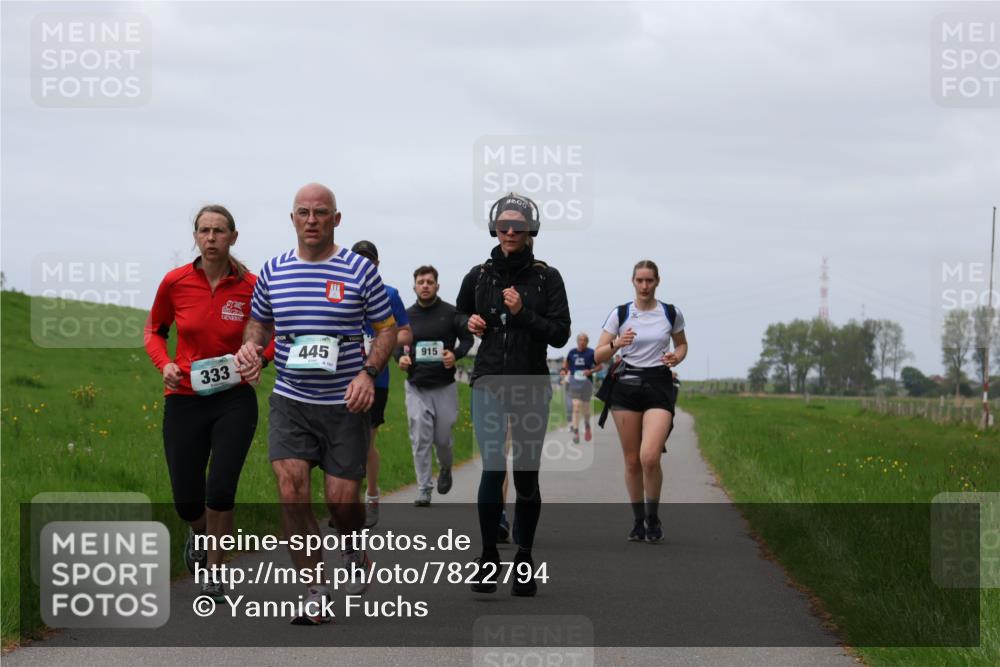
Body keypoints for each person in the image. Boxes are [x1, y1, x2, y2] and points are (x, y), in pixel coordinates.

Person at [235, 183, 397, 625]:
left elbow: (387, 330)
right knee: (291, 493)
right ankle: (314, 590)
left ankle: (351, 541)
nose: (311, 220)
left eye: (320, 213)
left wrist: (367, 373)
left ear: (336, 219)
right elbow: (258, 324)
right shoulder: (273, 271)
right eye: (303, 212)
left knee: (342, 503)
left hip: (345, 402)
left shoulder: (360, 271)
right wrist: (251, 348)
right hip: (291, 399)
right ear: (292, 219)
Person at [144, 204, 266, 603]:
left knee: (221, 487)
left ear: (233, 237)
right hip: (184, 398)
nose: (211, 238)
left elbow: (277, 332)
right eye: (204, 230)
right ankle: (198, 532)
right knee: (186, 499)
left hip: (234, 399)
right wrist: (164, 365)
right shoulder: (175, 282)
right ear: (195, 236)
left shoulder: (252, 285)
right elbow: (155, 331)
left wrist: (258, 359)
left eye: (219, 231)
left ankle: (214, 573)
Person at [457, 192, 570, 597]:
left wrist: (523, 312)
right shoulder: (479, 275)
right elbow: (458, 314)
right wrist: (466, 320)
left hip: (531, 382)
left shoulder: (547, 277)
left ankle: (524, 557)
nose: (509, 232)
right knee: (492, 467)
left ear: (530, 231)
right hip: (488, 378)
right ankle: (488, 556)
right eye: (503, 226)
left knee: (524, 474)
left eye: (517, 226)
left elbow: (560, 334)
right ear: (494, 229)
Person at [594, 260, 687, 544]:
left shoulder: (670, 313)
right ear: (632, 282)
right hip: (626, 386)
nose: (645, 286)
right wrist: (617, 344)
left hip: (659, 384)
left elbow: (681, 344)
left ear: (657, 281)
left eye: (650, 281)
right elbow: (598, 355)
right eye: (640, 281)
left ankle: (652, 516)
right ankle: (638, 521)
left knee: (650, 457)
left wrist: (677, 356)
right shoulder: (620, 313)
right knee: (633, 461)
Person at [397, 265, 473, 506]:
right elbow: (394, 341)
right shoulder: (406, 316)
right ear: (414, 286)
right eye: (421, 282)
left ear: (437, 286)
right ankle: (424, 488)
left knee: (442, 439)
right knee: (419, 437)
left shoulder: (451, 313)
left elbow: (468, 337)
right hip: (417, 385)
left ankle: (446, 467)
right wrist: (399, 356)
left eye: (430, 282)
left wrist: (456, 354)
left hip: (444, 386)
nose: (426, 285)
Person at [350, 240, 412, 527]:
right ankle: (345, 505)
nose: (363, 265)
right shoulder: (340, 292)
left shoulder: (389, 294)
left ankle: (371, 495)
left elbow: (405, 333)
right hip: (342, 376)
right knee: (342, 442)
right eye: (357, 259)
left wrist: (382, 342)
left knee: (365, 441)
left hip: (377, 378)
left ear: (376, 264)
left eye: (368, 261)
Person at [562, 333, 602, 443]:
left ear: (587, 342)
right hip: (574, 383)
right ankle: (575, 432)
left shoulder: (591, 353)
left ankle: (587, 424)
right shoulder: (572, 352)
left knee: (586, 408)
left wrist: (591, 371)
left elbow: (600, 366)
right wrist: (564, 371)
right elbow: (565, 365)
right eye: (580, 340)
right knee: (576, 406)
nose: (582, 342)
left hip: (586, 383)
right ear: (577, 341)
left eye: (584, 340)